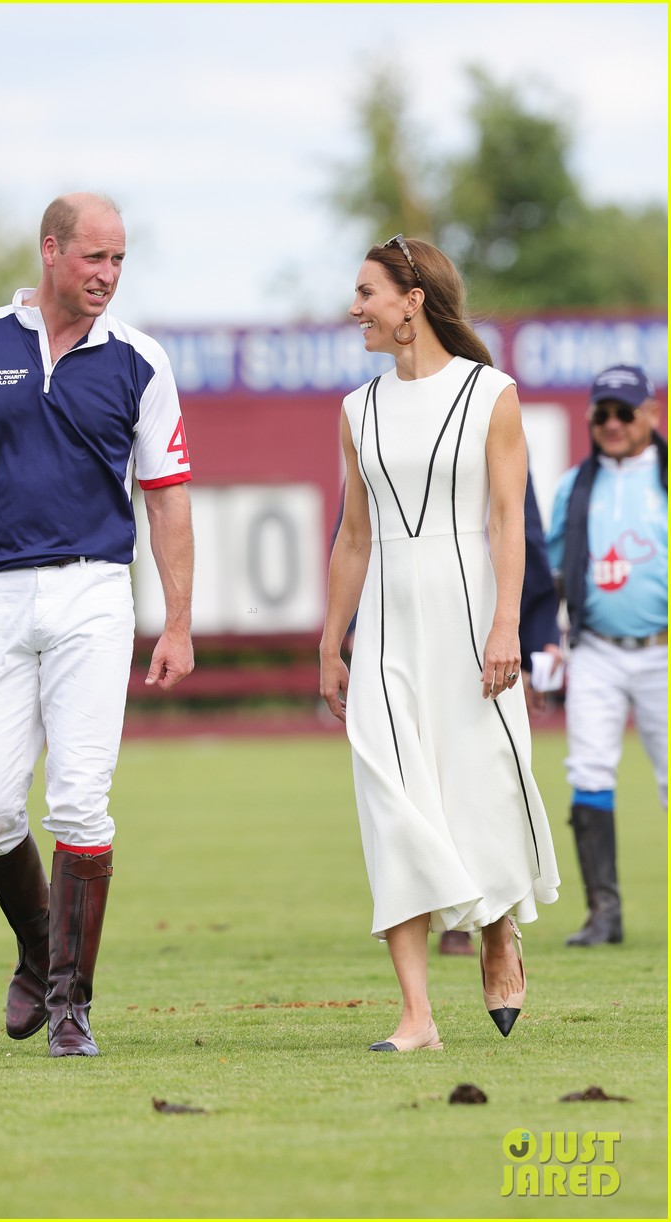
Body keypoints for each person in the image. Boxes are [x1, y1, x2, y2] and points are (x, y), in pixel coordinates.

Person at [0, 192, 194, 1057]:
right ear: (50, 250)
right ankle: (39, 950)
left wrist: (177, 619)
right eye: (93, 258)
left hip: (95, 594)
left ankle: (71, 1004)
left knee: (79, 799)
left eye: (119, 262)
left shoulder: (141, 361)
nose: (107, 276)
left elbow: (167, 499)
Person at [320, 234, 559, 1050]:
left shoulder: (491, 395)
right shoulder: (357, 409)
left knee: (483, 787)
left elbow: (505, 520)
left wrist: (504, 625)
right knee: (390, 802)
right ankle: (416, 1017)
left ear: (411, 299)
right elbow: (353, 537)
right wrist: (330, 642)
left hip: (469, 625)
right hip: (385, 632)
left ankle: (497, 927)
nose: (354, 308)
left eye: (366, 292)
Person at [546, 364, 667, 947]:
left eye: (625, 412)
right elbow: (551, 571)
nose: (613, 424)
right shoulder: (575, 485)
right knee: (589, 769)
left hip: (663, 650)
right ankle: (604, 913)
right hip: (594, 647)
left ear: (652, 414)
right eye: (603, 414)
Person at [439, 472, 563, 956]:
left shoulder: (493, 419)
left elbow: (523, 535)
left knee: (480, 771)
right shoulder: (378, 416)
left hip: (480, 632)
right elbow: (358, 533)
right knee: (428, 775)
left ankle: (487, 907)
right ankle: (454, 902)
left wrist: (530, 646)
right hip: (408, 630)